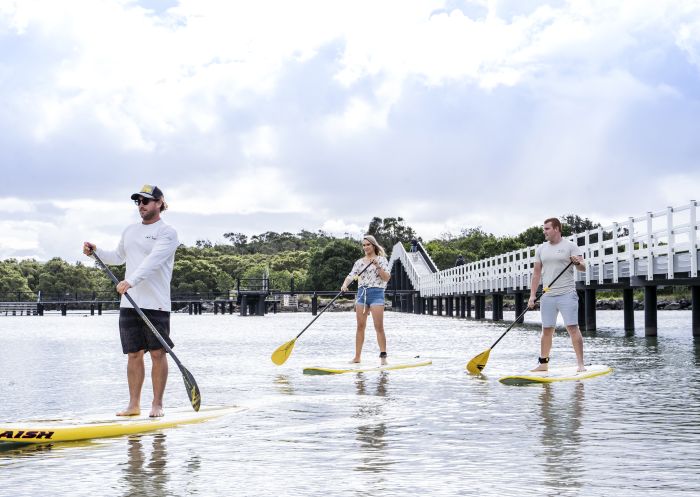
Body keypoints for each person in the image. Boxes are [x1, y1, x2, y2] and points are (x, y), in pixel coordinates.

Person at [83, 184, 179, 417]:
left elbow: (154, 261)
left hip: (155, 302)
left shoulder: (168, 232)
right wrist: (96, 252)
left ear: (159, 203)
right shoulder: (129, 230)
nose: (141, 206)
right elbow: (117, 257)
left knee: (157, 353)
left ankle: (157, 405)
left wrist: (131, 280)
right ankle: (133, 405)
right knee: (133, 354)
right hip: (129, 303)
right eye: (138, 202)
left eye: (146, 201)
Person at [528, 218, 586, 372]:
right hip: (547, 295)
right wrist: (532, 295)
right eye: (544, 229)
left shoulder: (570, 246)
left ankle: (580, 364)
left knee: (573, 328)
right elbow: (536, 273)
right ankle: (543, 364)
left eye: (547, 228)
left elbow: (583, 268)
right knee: (546, 330)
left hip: (567, 294)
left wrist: (577, 263)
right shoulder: (541, 249)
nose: (544, 231)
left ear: (556, 229)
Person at [341, 235, 391, 365]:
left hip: (377, 293)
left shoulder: (382, 260)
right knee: (360, 327)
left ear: (373, 245)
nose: (365, 247)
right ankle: (357, 357)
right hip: (362, 294)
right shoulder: (359, 262)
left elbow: (386, 278)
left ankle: (383, 357)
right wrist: (344, 284)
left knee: (378, 326)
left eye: (368, 244)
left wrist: (378, 266)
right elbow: (351, 275)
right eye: (363, 245)